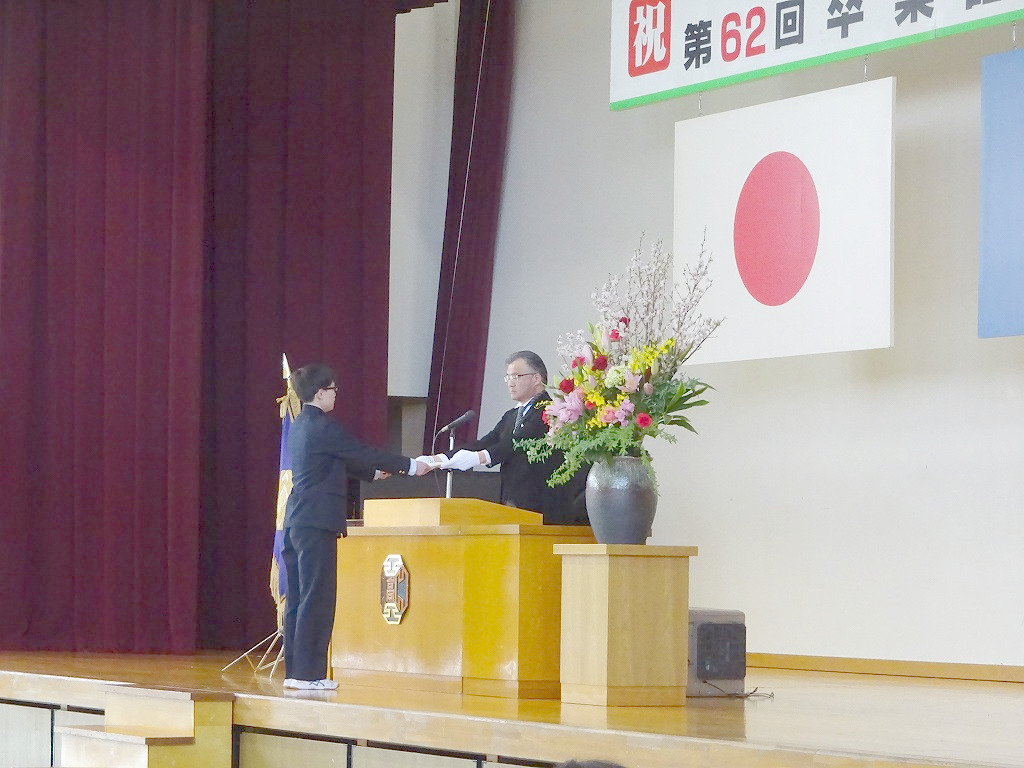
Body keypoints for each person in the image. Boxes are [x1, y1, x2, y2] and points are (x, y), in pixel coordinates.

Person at [281, 363, 435, 691]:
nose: (336, 394)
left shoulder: (300, 424)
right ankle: (309, 675)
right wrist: (411, 465)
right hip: (317, 522)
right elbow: (362, 451)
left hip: (297, 521)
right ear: (319, 393)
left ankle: (296, 673)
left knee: (298, 598)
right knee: (317, 597)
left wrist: (372, 474)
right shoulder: (324, 426)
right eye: (333, 389)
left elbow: (336, 460)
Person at [442, 350, 587, 525]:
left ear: (536, 378)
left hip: (543, 508)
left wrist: (479, 457)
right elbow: (487, 442)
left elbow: (517, 442)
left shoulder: (551, 411)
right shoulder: (511, 416)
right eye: (508, 377)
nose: (510, 383)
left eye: (516, 376)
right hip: (512, 504)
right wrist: (439, 459)